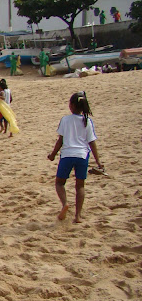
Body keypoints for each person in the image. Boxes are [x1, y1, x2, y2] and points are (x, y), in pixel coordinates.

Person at [47, 92, 102, 223]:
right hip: (82, 155)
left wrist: (53, 154)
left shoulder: (65, 120)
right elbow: (92, 142)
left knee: (60, 183)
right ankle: (78, 216)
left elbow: (60, 140)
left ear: (71, 105)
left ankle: (65, 203)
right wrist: (98, 161)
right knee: (80, 186)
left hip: (67, 155)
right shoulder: (87, 121)